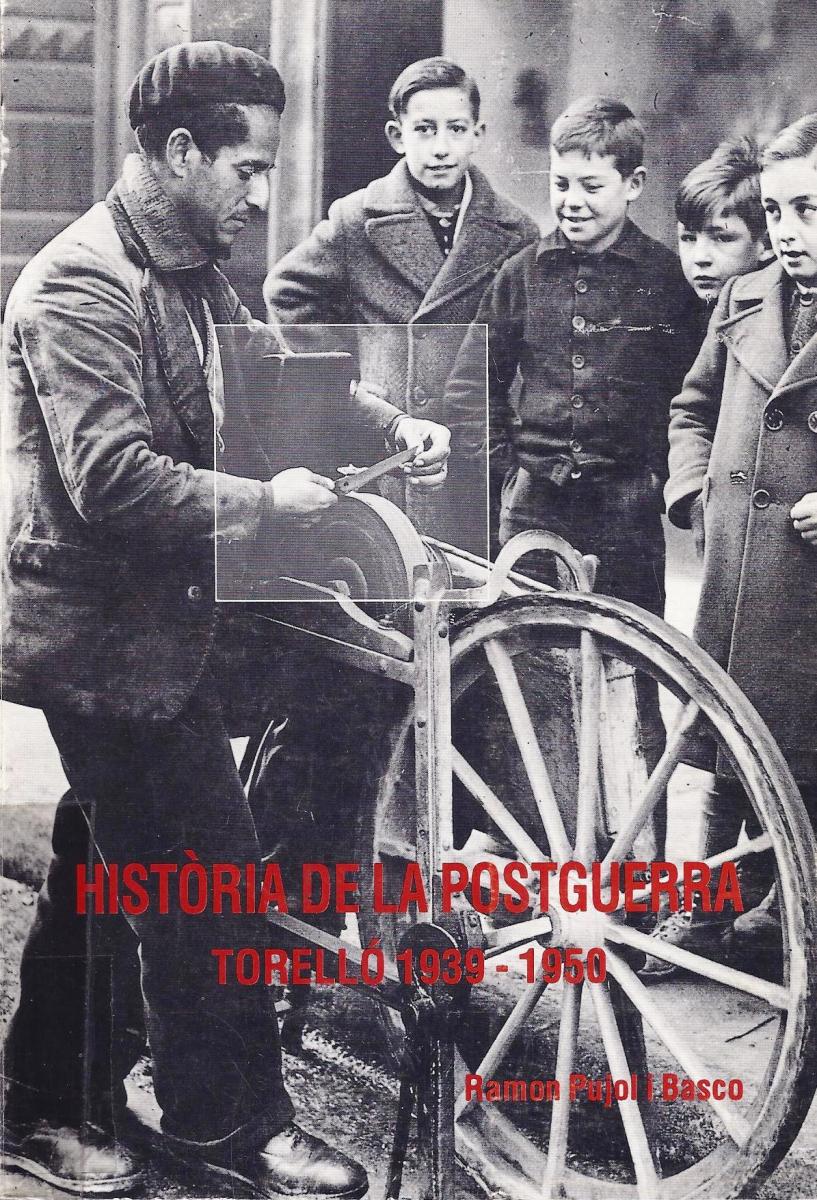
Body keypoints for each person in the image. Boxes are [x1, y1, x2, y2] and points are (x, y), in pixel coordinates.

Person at [0, 41, 449, 1199]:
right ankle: (228, 1125)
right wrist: (264, 503)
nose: (261, 191)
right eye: (248, 167)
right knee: (203, 870)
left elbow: (280, 378)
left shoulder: (194, 265)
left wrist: (387, 426)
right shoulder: (79, 282)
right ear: (179, 151)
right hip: (103, 640)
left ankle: (42, 1102)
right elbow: (111, 478)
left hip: (177, 614)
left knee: (115, 858)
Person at [444, 96, 700, 830]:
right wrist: (509, 471)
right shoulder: (521, 274)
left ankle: (636, 851)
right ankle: (531, 841)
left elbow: (692, 391)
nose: (572, 201)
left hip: (623, 516)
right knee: (522, 674)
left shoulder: (666, 279)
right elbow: (472, 387)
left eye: (591, 185)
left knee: (632, 676)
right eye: (561, 184)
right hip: (533, 513)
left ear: (634, 184)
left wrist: (653, 478)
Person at [642, 112, 817, 976]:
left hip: (806, 593)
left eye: (808, 210)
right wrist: (691, 488)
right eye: (776, 212)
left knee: (799, 757)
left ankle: (789, 916)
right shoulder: (743, 299)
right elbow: (690, 410)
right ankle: (704, 911)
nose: (787, 231)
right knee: (716, 743)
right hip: (737, 571)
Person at [265, 56, 539, 556]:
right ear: (397, 136)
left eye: (456, 129)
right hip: (391, 436)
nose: (441, 147)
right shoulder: (357, 218)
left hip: (472, 445)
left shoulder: (516, 232)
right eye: (424, 129)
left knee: (470, 575)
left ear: (478, 135)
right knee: (397, 570)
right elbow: (287, 290)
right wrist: (345, 373)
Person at [676, 135, 770, 356]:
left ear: (766, 244)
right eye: (688, 238)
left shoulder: (774, 320)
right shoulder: (675, 312)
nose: (700, 258)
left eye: (722, 238)